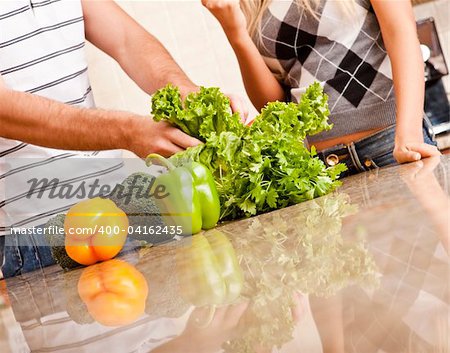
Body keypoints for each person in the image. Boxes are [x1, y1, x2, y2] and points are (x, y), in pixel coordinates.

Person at [0, 0, 246, 278]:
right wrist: (128, 132)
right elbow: (4, 111)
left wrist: (188, 96)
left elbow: (128, 41)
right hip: (39, 232)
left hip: (116, 208)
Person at [202, 0, 442, 176]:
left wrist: (409, 134)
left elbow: (401, 32)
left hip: (393, 145)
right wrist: (235, 33)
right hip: (323, 167)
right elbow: (276, 106)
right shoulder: (251, 4)